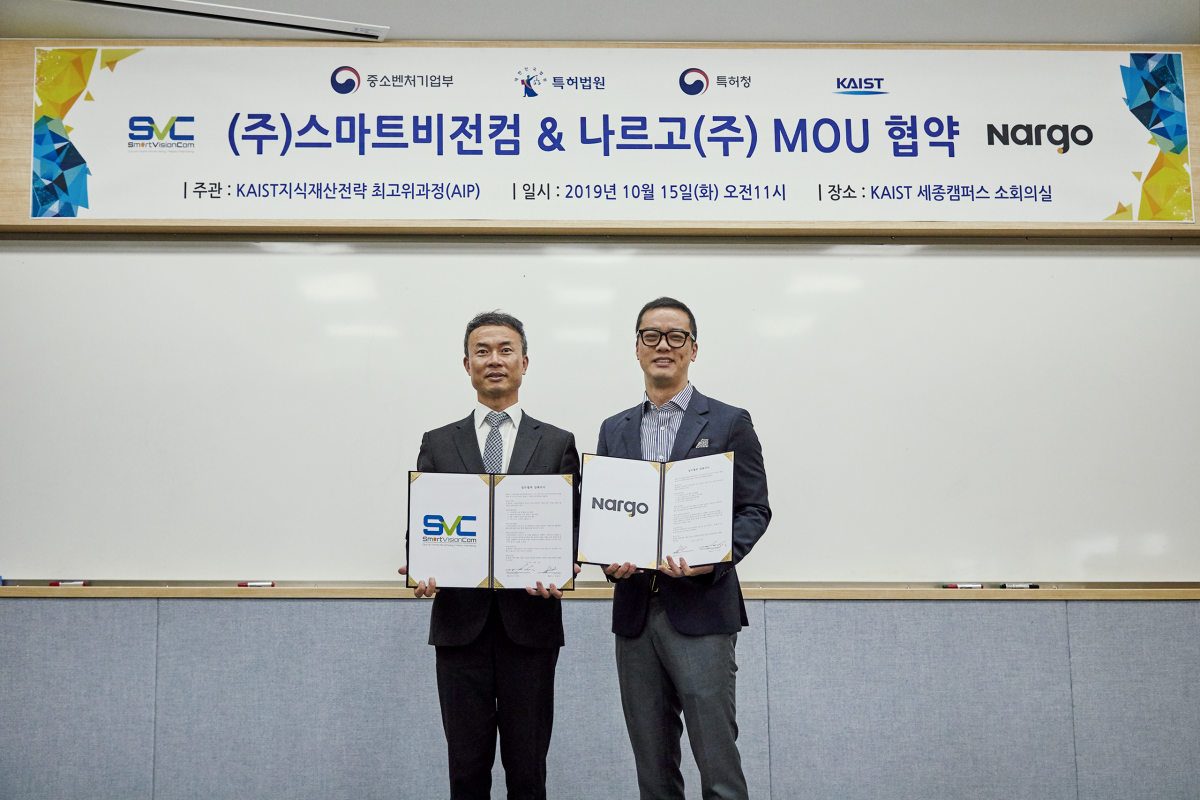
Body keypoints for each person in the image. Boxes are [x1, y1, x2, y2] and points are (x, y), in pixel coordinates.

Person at [399, 311, 580, 800]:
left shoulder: (557, 442)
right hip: (460, 627)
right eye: (482, 351)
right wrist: (420, 566)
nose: (494, 360)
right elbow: (424, 522)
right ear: (466, 364)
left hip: (531, 627)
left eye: (505, 350)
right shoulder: (438, 442)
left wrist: (566, 563)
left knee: (528, 772)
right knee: (466, 771)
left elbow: (572, 525)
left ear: (525, 363)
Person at [597, 297, 771, 800]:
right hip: (634, 614)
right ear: (636, 347)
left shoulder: (729, 422)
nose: (663, 346)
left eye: (676, 336)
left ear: (693, 349)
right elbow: (603, 513)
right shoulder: (614, 428)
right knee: (652, 767)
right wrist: (608, 561)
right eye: (651, 336)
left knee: (717, 765)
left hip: (702, 611)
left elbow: (754, 510)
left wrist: (710, 559)